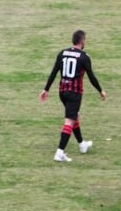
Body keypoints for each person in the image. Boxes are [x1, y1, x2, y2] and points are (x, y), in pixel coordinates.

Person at [39, 30, 107, 162]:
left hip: (62, 92)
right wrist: (100, 90)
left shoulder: (62, 53)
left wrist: (46, 89)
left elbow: (54, 72)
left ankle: (82, 145)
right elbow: (91, 76)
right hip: (74, 93)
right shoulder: (84, 57)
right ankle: (59, 153)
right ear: (82, 41)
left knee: (75, 116)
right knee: (69, 121)